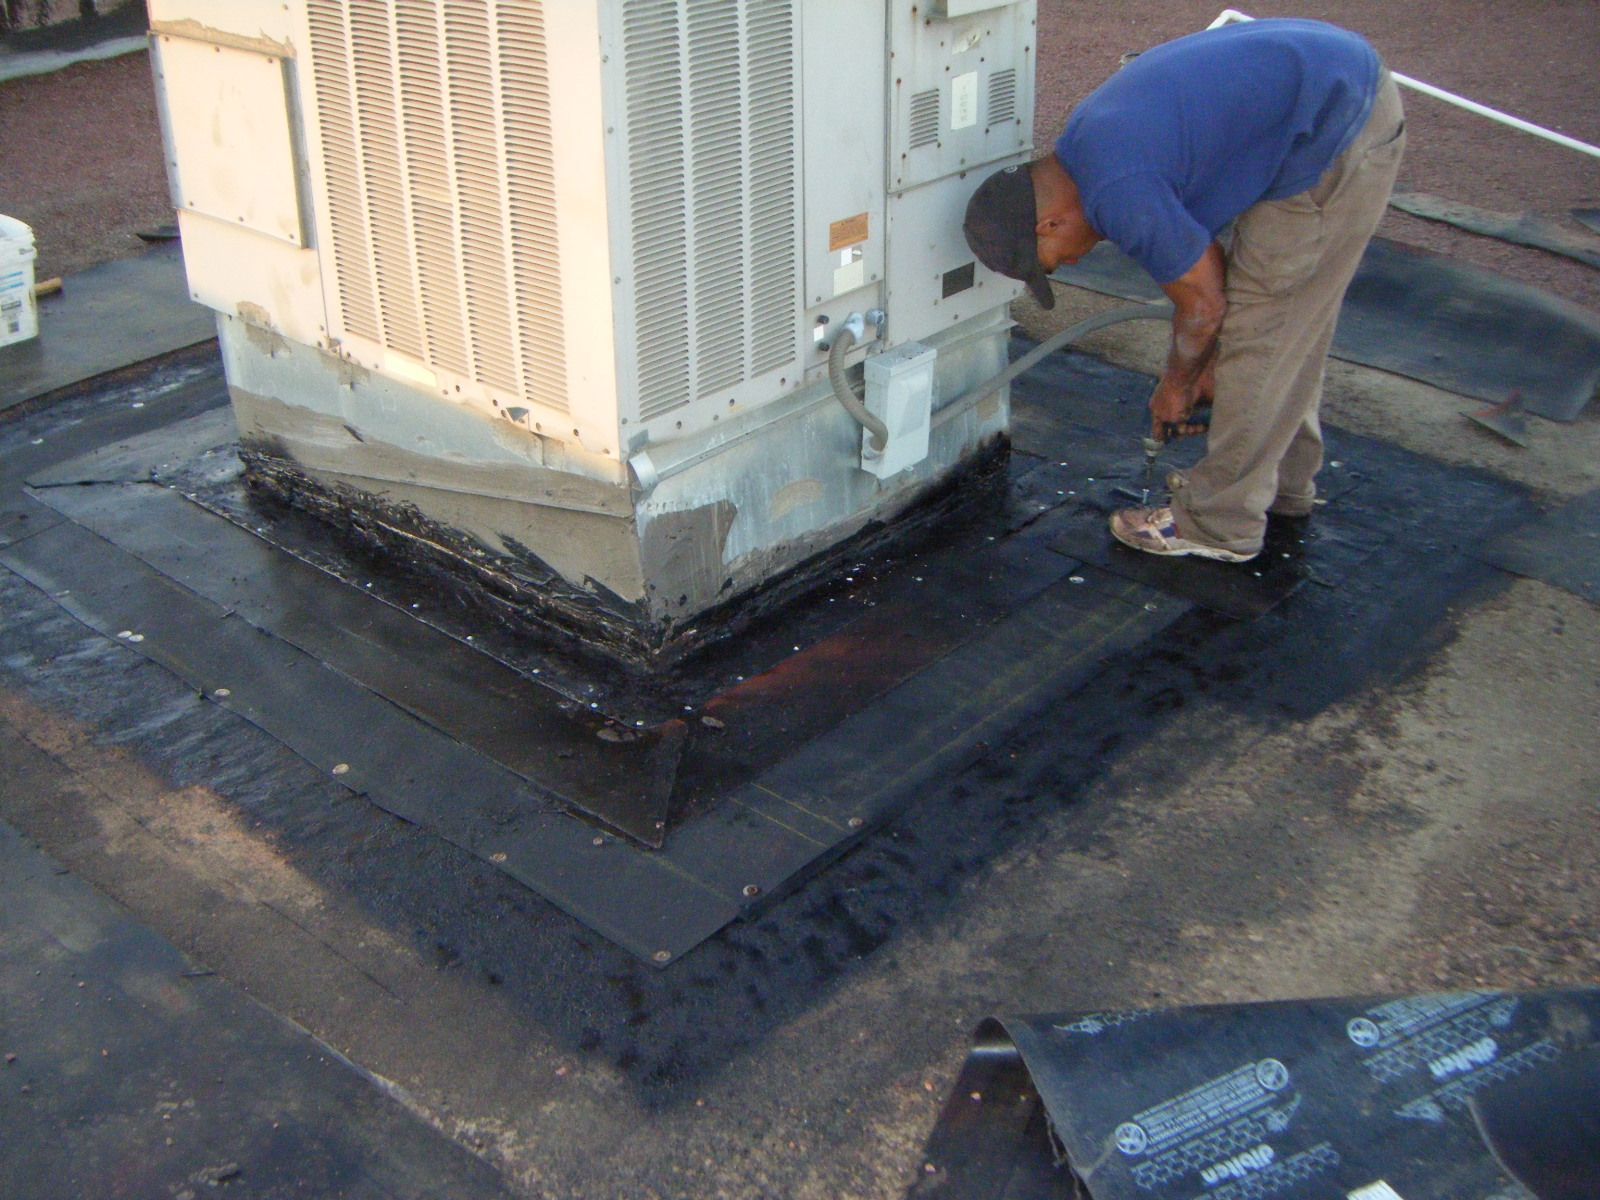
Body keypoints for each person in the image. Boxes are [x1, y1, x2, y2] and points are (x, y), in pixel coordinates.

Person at [963, 18, 1405, 563]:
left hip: (1336, 127)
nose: (1074, 261)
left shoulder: (1119, 190)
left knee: (1262, 332)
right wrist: (1204, 366)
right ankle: (1282, 487)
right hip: (1325, 93)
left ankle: (1220, 523)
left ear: (1047, 225)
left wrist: (1176, 384)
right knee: (1287, 322)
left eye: (1053, 262)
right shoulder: (1085, 147)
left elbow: (1204, 305)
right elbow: (1207, 276)